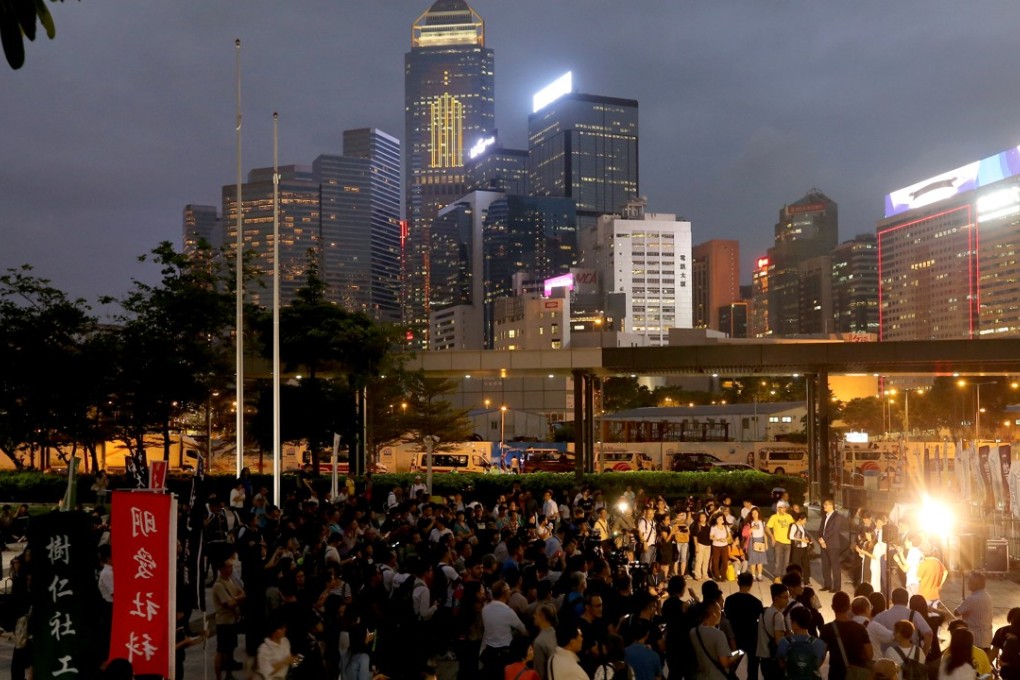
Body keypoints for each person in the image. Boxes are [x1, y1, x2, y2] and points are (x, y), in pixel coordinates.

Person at [819, 591, 873, 680]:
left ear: (832, 607)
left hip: (836, 674)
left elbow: (822, 655)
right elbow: (869, 654)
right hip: (857, 674)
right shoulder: (860, 628)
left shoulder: (826, 629)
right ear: (849, 607)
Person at [481, 580, 527, 680]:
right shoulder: (508, 612)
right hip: (505, 653)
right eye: (509, 590)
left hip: (489, 650)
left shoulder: (485, 609)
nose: (510, 591)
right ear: (505, 593)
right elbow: (523, 630)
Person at [211, 556, 246, 680]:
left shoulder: (229, 581)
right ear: (221, 569)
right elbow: (229, 603)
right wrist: (237, 599)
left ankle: (229, 674)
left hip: (231, 620)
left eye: (232, 566)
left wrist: (236, 598)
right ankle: (219, 677)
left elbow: (242, 593)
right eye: (229, 566)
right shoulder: (218, 585)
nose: (231, 569)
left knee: (230, 649)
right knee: (221, 650)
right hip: (223, 622)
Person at [726, 572, 763, 680]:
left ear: (738, 583)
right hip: (752, 640)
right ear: (751, 584)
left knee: (732, 666)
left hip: (735, 639)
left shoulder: (730, 600)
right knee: (753, 669)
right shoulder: (756, 602)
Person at [874, 588, 933, 655]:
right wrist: (924, 653)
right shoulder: (914, 614)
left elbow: (872, 633)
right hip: (910, 657)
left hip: (887, 656)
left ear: (892, 600)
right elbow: (929, 633)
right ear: (907, 600)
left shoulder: (880, 616)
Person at [690, 601, 737, 680]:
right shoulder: (718, 634)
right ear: (713, 614)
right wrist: (736, 655)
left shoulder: (693, 632)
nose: (721, 613)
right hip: (718, 676)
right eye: (719, 611)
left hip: (700, 676)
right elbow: (724, 662)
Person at [776, 606, 826, 680]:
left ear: (795, 623)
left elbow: (781, 664)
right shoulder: (819, 644)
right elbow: (818, 664)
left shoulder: (784, 642)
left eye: (791, 620)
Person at [757, 584, 790, 680]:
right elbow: (779, 642)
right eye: (785, 597)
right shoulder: (778, 615)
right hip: (774, 661)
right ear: (776, 598)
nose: (788, 600)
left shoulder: (764, 613)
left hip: (764, 659)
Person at [955, 572, 993, 654]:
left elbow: (956, 612)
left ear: (976, 584)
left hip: (976, 640)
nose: (968, 583)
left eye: (970, 581)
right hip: (987, 638)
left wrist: (962, 603)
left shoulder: (973, 599)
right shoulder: (987, 596)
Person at [818, 499, 849, 592]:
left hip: (833, 545)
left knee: (835, 566)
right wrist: (820, 539)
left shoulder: (837, 517)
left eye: (825, 505)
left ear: (831, 505)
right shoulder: (825, 516)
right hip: (823, 544)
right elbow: (821, 529)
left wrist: (823, 539)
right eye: (824, 505)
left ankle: (837, 587)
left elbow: (834, 530)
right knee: (825, 565)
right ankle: (827, 585)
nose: (824, 507)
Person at [766, 501, 794, 578]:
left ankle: (785, 577)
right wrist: (772, 537)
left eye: (785, 507)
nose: (784, 509)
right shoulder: (774, 517)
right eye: (782, 507)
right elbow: (767, 528)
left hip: (788, 542)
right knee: (777, 561)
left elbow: (794, 526)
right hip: (778, 542)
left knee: (786, 562)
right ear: (778, 508)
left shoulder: (789, 516)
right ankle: (777, 577)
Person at [745, 506, 769, 582]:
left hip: (761, 540)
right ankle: (753, 575)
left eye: (756, 513)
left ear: (758, 513)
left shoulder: (762, 522)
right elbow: (746, 533)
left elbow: (764, 534)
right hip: (753, 541)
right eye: (753, 513)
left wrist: (766, 543)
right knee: (753, 560)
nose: (754, 515)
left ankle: (760, 575)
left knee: (760, 560)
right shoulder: (749, 522)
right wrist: (752, 528)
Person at [788, 512, 813, 585]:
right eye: (804, 520)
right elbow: (791, 536)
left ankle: (806, 581)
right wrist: (801, 540)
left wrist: (807, 540)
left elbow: (804, 534)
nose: (805, 522)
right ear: (800, 519)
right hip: (797, 548)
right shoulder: (794, 526)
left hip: (804, 547)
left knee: (806, 564)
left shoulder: (803, 526)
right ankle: (796, 581)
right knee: (796, 565)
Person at [709, 513, 730, 582]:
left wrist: (725, 539)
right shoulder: (713, 527)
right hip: (716, 546)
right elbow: (711, 536)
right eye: (718, 519)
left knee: (725, 562)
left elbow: (729, 536)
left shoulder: (726, 527)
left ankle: (723, 576)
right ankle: (717, 576)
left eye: (721, 519)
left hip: (724, 546)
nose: (719, 520)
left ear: (723, 521)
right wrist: (718, 539)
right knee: (715, 562)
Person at [694, 512, 712, 581]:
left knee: (706, 561)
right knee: (699, 561)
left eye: (704, 517)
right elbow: (695, 537)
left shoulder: (708, 525)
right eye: (701, 517)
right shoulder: (697, 526)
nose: (702, 519)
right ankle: (697, 575)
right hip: (700, 544)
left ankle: (705, 575)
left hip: (708, 545)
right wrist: (696, 546)